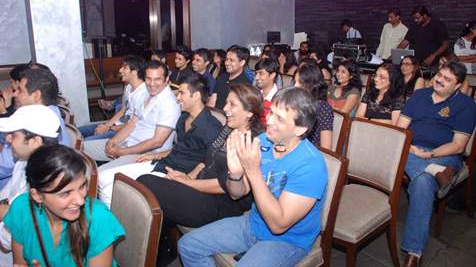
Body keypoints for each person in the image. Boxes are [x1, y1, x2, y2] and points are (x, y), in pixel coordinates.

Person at [178, 87, 328, 267]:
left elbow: (278, 225)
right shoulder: (264, 141)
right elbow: (237, 194)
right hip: (253, 223)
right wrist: (235, 175)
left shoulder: (311, 165)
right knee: (188, 245)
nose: (269, 121)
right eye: (271, 112)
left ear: (300, 129)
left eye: (279, 118)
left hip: (287, 241)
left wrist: (253, 170)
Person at [137, 83, 262, 265]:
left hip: (223, 205)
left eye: (232, 105)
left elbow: (224, 186)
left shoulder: (252, 142)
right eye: (226, 103)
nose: (225, 108)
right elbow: (207, 157)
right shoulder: (229, 128)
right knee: (155, 191)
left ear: (250, 112)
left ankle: (159, 253)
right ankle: (162, 253)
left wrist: (185, 183)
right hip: (201, 188)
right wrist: (190, 176)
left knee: (146, 182)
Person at [96, 73, 222, 208]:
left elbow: (210, 160)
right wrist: (153, 155)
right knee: (102, 177)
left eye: (181, 93)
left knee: (111, 190)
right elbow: (178, 148)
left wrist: (190, 176)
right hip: (162, 163)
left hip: (176, 173)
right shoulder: (183, 118)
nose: (177, 97)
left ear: (196, 96)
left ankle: (118, 227)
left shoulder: (211, 127)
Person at [396, 61, 476, 266]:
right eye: (440, 75)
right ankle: (414, 253)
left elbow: (458, 145)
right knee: (421, 178)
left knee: (420, 179)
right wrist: (411, 147)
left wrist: (430, 155)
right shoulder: (420, 95)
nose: (439, 80)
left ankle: (413, 254)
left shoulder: (466, 105)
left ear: (458, 85)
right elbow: (401, 128)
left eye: (447, 79)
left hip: (444, 156)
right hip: (412, 149)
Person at [3, 145, 125, 266]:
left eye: (82, 186)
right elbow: (20, 263)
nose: (80, 201)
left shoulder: (98, 218)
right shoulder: (21, 209)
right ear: (37, 196)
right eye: (66, 193)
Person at [83, 60, 181, 164]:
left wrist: (122, 152)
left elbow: (157, 142)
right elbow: (131, 123)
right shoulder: (146, 94)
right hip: (127, 143)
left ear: (166, 79)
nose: (152, 84)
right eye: (148, 79)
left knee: (101, 177)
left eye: (157, 79)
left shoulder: (169, 103)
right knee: (80, 149)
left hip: (145, 154)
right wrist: (113, 141)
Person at [0, 105, 60, 265]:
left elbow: (7, 242)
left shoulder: (45, 179)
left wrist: (6, 211)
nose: (7, 139)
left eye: (13, 135)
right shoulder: (23, 161)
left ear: (34, 141)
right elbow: (5, 197)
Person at [0, 67, 71, 189]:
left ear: (36, 95)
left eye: (20, 90)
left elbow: (3, 166)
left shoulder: (38, 124)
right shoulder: (50, 112)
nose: (14, 94)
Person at [79, 56, 148, 141]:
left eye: (124, 67)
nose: (120, 70)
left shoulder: (144, 93)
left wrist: (109, 128)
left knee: (86, 142)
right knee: (79, 132)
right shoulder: (129, 86)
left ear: (135, 72)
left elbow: (135, 125)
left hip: (127, 131)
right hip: (117, 125)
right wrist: (106, 125)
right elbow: (122, 111)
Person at [295, 64, 333, 149]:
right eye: (295, 82)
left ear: (311, 84)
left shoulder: (323, 108)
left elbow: (326, 147)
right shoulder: (296, 103)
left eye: (299, 82)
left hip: (310, 153)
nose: (295, 86)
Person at [254, 58, 279, 124]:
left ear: (272, 75)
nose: (256, 77)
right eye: (256, 73)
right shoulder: (254, 94)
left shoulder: (280, 99)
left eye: (261, 73)